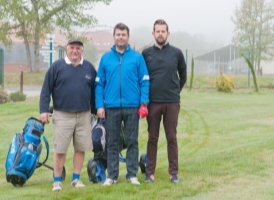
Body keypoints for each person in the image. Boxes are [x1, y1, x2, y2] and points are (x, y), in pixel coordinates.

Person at [95, 22, 150, 186]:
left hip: (132, 106)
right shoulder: (105, 58)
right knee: (112, 142)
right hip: (111, 107)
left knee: (132, 140)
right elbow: (99, 84)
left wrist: (144, 103)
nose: (120, 37)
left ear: (128, 37)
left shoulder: (137, 57)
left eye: (123, 34)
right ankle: (112, 175)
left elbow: (145, 81)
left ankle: (131, 174)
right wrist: (99, 105)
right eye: (118, 34)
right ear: (114, 37)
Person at [39, 38, 97, 192]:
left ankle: (76, 179)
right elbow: (46, 90)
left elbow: (94, 92)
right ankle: (57, 181)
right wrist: (44, 110)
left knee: (81, 148)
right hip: (62, 114)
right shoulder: (57, 67)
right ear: (67, 49)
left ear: (82, 50)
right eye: (72, 48)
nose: (75, 51)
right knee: (60, 149)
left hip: (84, 115)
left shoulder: (89, 68)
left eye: (78, 48)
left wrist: (97, 109)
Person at [142, 19, 187, 184]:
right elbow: (142, 77)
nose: (160, 34)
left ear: (168, 33)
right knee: (152, 138)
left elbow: (183, 76)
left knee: (171, 138)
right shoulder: (146, 54)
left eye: (163, 31)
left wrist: (174, 92)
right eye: (157, 31)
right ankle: (149, 173)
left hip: (171, 102)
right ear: (153, 33)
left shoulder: (177, 53)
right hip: (153, 102)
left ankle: (173, 173)